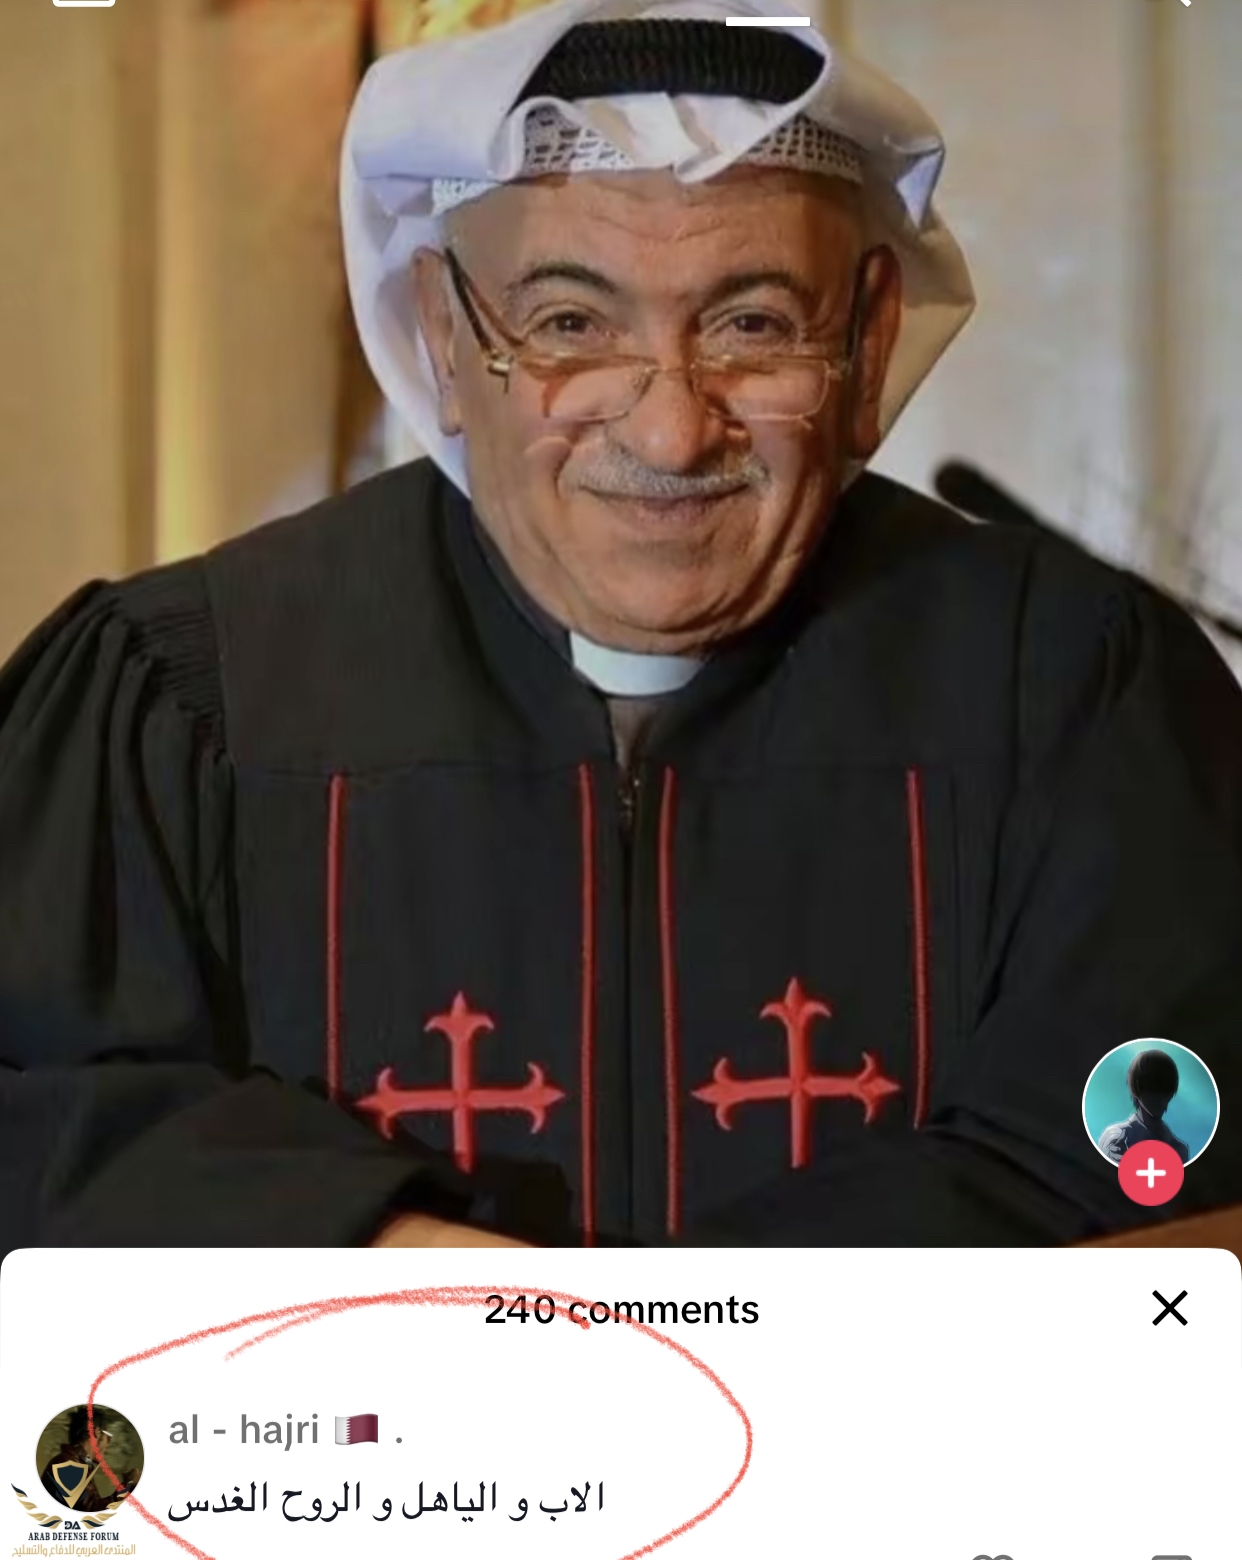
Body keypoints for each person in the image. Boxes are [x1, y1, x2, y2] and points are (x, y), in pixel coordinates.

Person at [2, 0, 1242, 1256]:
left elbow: (1167, 1152)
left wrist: (680, 1334)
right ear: (444, 335)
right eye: (570, 325)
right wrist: (387, 1262)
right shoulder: (188, 696)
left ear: (867, 348)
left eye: (753, 325)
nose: (670, 430)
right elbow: (38, 1121)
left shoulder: (1074, 693)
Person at [1098, 1050, 1192, 1165]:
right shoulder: (1117, 1137)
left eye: (1165, 1090)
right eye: (1152, 1089)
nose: (1159, 1097)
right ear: (1137, 1090)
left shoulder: (1178, 1149)